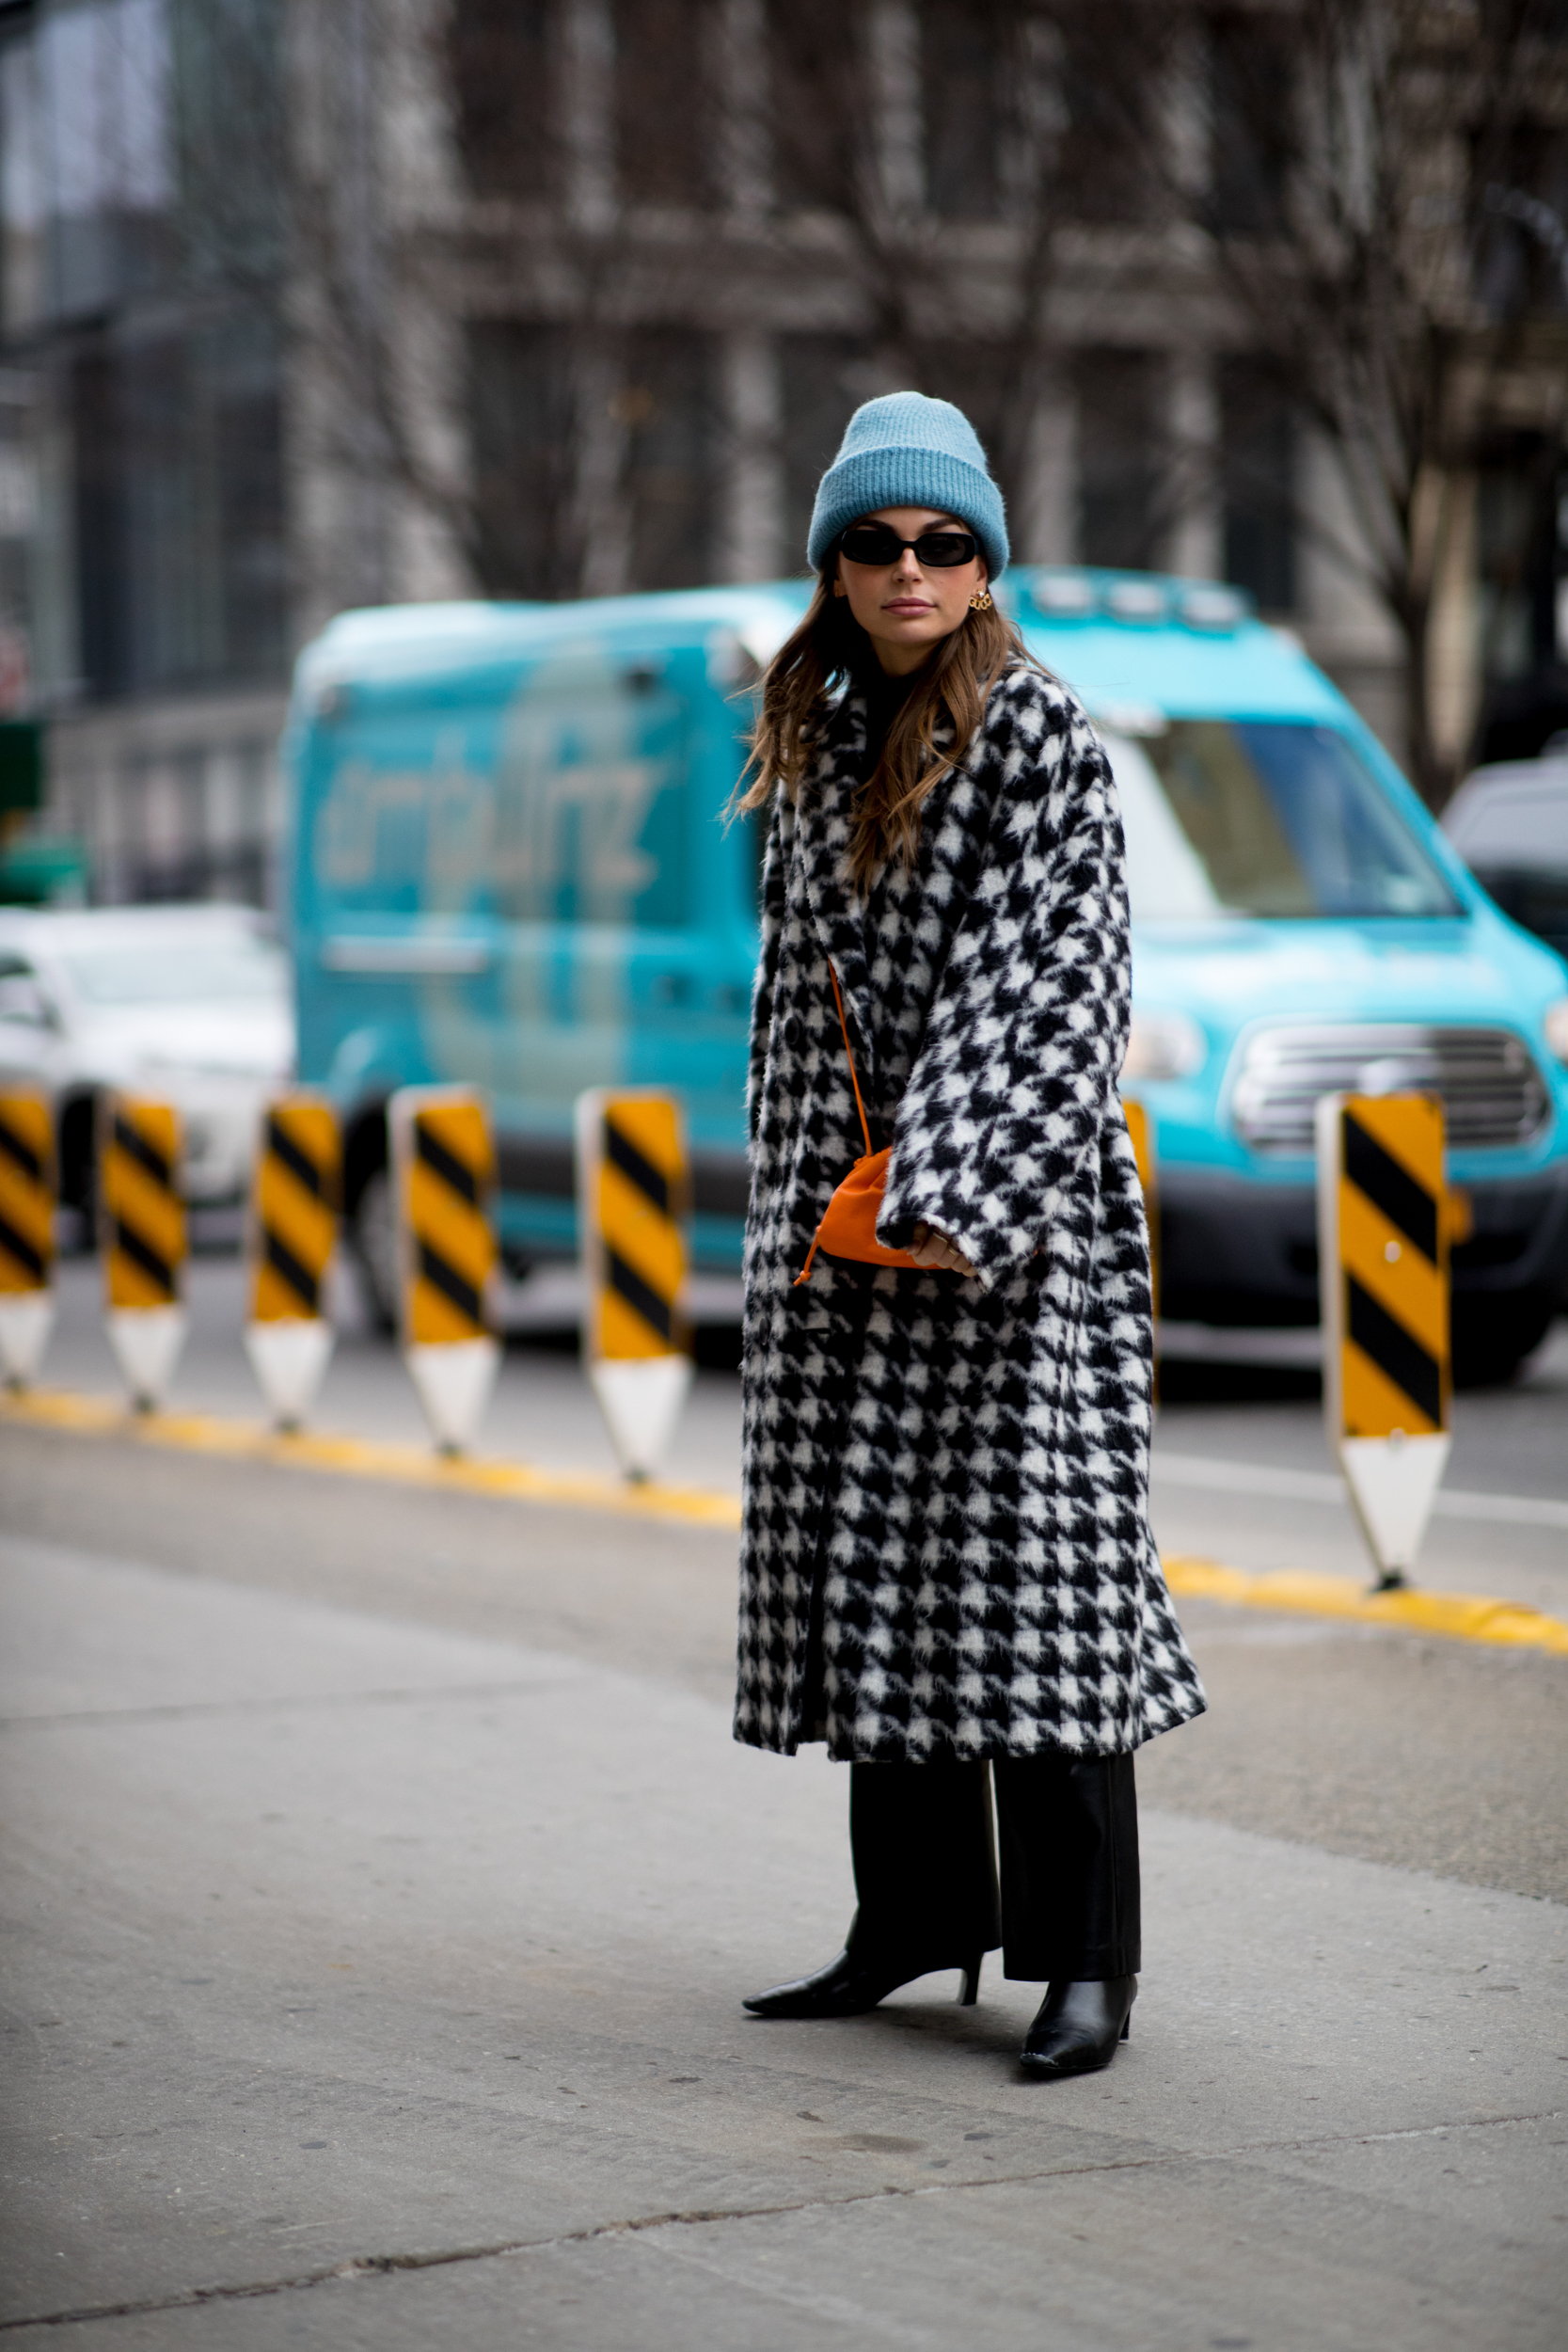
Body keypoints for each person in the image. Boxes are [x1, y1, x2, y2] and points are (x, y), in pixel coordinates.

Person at [731, 392, 1206, 2078]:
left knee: (1038, 1589)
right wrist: (801, 1213)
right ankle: (916, 1920)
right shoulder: (809, 735)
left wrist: (953, 1196)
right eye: (875, 542)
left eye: (943, 542)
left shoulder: (1040, 732)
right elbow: (797, 1002)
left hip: (1005, 1232)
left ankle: (1088, 1968)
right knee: (888, 1580)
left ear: (987, 563)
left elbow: (1058, 983)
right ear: (834, 568)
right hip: (849, 1225)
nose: (910, 568)